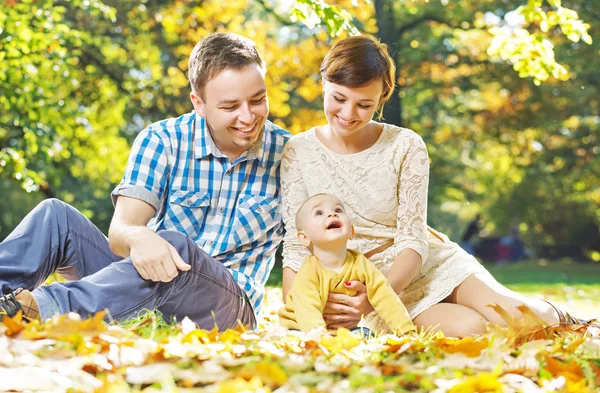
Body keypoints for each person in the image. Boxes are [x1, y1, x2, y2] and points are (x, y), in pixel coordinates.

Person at [280, 35, 580, 338]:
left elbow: (413, 240)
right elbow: (295, 245)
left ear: (382, 98)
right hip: (365, 285)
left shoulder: (405, 145)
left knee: (516, 319)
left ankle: (559, 315)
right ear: (323, 84)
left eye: (364, 104)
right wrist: (299, 317)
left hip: (423, 266)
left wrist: (371, 300)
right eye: (339, 98)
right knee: (477, 330)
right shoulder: (298, 150)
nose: (348, 114)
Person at [0, 33, 290, 331]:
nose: (248, 116)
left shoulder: (291, 155)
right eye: (230, 107)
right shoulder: (162, 139)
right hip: (146, 284)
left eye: (258, 100)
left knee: (176, 247)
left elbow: (311, 248)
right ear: (198, 103)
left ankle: (39, 310)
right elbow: (122, 228)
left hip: (228, 309)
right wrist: (139, 237)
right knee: (55, 216)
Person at [278, 194, 415, 335]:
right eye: (319, 213)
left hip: (340, 331)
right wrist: (318, 337)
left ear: (351, 231)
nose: (332, 214)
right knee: (294, 338)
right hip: (301, 327)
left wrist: (406, 331)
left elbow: (386, 297)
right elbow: (307, 308)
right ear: (304, 238)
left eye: (338, 210)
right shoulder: (309, 271)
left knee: (366, 334)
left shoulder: (360, 263)